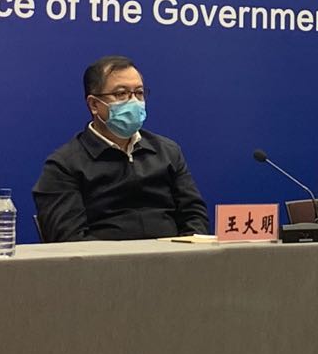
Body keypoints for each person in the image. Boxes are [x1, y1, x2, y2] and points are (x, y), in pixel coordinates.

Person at [34, 55, 210, 241]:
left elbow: (194, 216)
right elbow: (70, 239)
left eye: (139, 93)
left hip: (173, 256)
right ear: (94, 104)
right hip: (105, 258)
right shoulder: (64, 165)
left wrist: (185, 252)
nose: (133, 102)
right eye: (121, 94)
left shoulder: (167, 151)